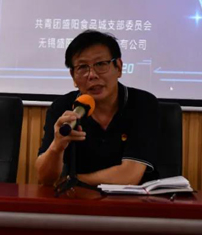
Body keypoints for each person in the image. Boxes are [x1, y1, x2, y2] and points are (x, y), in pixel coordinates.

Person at [35, 30, 159, 186]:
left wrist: (72, 180)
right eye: (82, 67)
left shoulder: (142, 103)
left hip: (133, 200)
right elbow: (44, 179)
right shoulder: (63, 108)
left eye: (100, 64)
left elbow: (129, 176)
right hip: (78, 200)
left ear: (119, 68)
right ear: (73, 76)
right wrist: (56, 147)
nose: (92, 75)